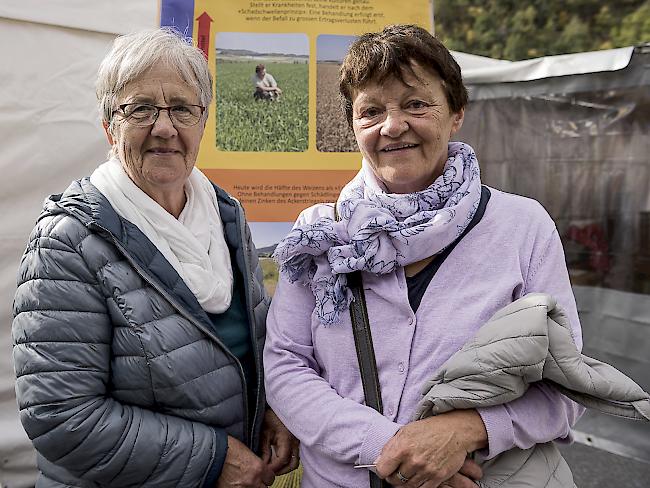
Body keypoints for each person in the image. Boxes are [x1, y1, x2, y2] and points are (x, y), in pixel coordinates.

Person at [264, 24, 584, 487]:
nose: (392, 126)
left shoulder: (521, 226)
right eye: (371, 110)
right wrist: (392, 449)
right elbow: (287, 366)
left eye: (416, 103)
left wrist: (464, 432)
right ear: (353, 126)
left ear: (456, 112)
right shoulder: (320, 235)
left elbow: (567, 382)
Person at [12, 28, 298, 488]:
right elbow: (60, 416)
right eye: (140, 108)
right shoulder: (68, 241)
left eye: (182, 109)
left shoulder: (225, 214)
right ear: (109, 126)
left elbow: (256, 341)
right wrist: (215, 459)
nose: (164, 127)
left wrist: (273, 408)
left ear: (202, 122)